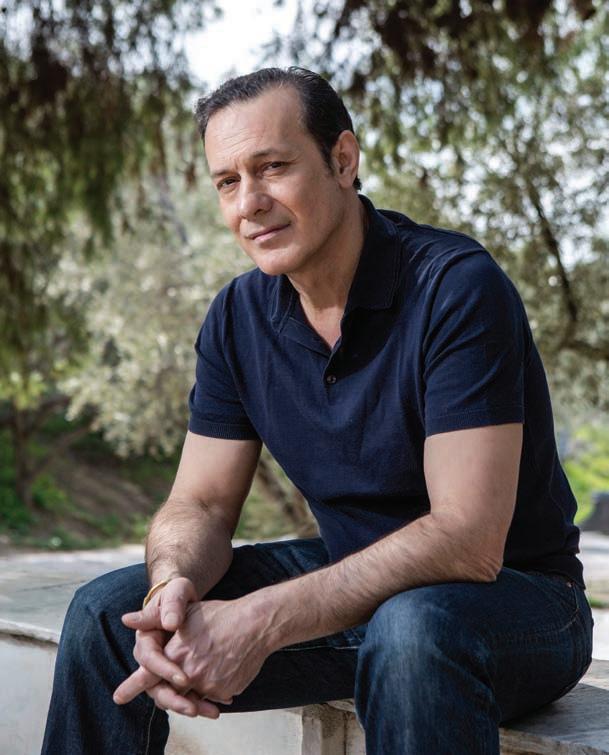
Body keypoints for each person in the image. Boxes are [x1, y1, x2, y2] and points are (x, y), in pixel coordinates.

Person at [41, 67, 593, 755]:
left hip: (516, 603)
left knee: (412, 630)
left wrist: (261, 620)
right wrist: (171, 586)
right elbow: (201, 504)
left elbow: (467, 539)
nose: (250, 203)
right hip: (355, 584)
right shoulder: (236, 318)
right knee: (107, 616)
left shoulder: (454, 287)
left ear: (342, 160)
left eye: (272, 167)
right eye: (227, 181)